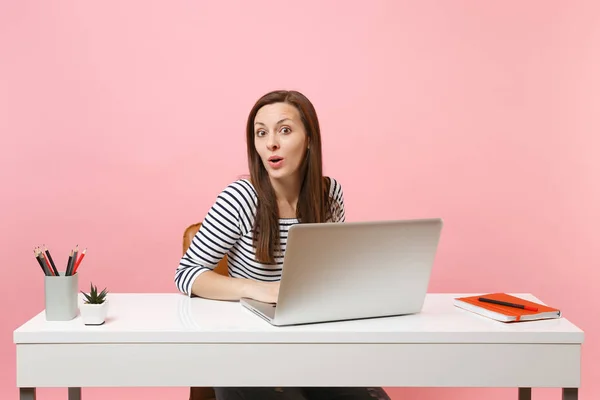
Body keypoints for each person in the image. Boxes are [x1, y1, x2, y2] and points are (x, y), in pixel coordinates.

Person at [175, 90, 390, 400]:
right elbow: (186, 274)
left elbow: (329, 275)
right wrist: (259, 290)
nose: (270, 143)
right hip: (248, 348)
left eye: (284, 130)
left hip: (311, 345)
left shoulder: (329, 195)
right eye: (261, 133)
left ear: (310, 139)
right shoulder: (240, 198)